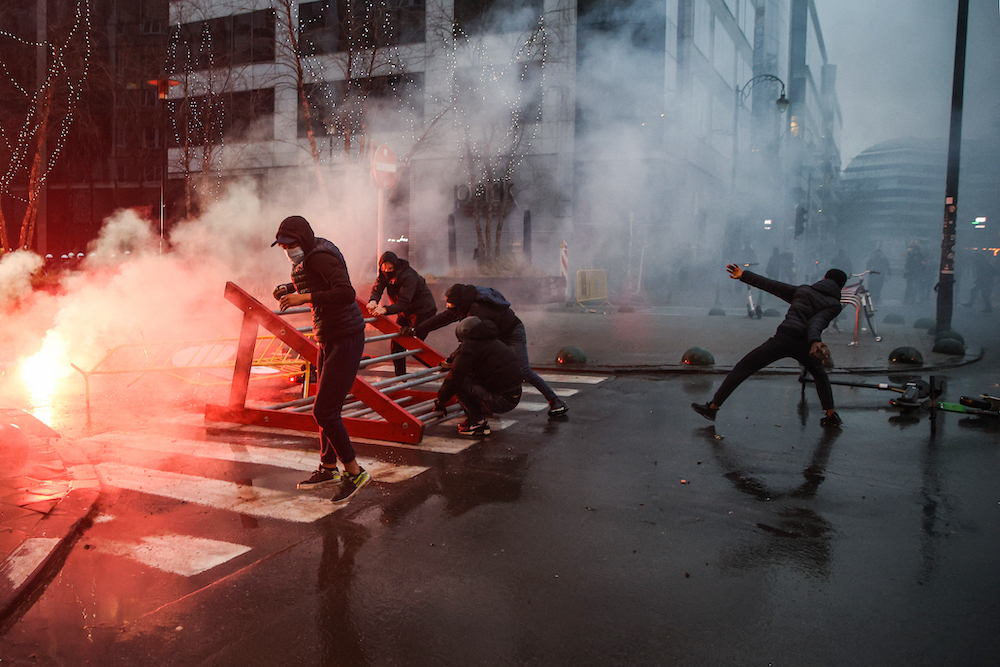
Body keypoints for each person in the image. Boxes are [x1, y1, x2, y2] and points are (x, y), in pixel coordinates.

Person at [272, 215, 371, 504]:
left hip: (345, 336)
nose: (286, 250)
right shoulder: (311, 255)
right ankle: (329, 469)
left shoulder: (320, 257)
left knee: (324, 412)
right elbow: (315, 282)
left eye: (289, 244)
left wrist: (303, 299)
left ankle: (354, 472)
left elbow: (345, 293)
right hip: (327, 336)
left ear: (302, 240)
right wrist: (289, 289)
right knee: (327, 410)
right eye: (281, 246)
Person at [691, 263, 847, 427]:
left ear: (824, 278)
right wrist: (814, 340)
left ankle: (713, 407)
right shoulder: (835, 305)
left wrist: (743, 275)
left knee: (744, 367)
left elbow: (773, 286)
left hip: (784, 338)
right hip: (805, 344)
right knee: (820, 375)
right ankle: (831, 415)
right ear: (841, 287)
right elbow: (817, 322)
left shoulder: (804, 290)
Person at [413, 284, 568, 416]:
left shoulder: (477, 311)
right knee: (482, 368)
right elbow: (444, 318)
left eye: (454, 308)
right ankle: (484, 403)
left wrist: (453, 359)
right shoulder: (466, 303)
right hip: (494, 335)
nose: (452, 312)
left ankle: (555, 401)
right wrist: (417, 329)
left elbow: (472, 344)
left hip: (511, 332)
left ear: (460, 303)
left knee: (522, 370)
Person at [432, 316, 523, 436]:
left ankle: (477, 423)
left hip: (501, 400)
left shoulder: (470, 348)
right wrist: (450, 360)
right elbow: (460, 352)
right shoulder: (489, 341)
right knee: (468, 379)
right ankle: (476, 418)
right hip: (514, 394)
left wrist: (441, 401)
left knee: (460, 382)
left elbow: (454, 380)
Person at [367, 251, 437, 376]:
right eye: (383, 268)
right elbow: (378, 287)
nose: (386, 271)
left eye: (390, 268)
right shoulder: (384, 274)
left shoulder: (408, 276)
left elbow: (404, 302)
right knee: (396, 343)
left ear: (396, 266)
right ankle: (401, 378)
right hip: (405, 312)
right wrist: (373, 300)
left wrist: (385, 309)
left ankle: (443, 370)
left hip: (422, 310)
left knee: (415, 346)